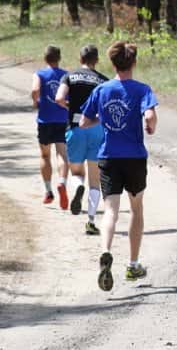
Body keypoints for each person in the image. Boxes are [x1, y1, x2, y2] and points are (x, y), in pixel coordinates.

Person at [79, 41, 158, 291]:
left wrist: (102, 119)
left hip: (109, 157)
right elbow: (150, 117)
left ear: (112, 64)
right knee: (136, 209)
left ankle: (105, 250)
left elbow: (83, 122)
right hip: (134, 157)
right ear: (134, 62)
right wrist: (150, 125)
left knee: (111, 211)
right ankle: (133, 264)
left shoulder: (102, 90)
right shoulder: (142, 89)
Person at [55, 45, 108, 235]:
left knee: (77, 171)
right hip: (96, 128)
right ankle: (91, 221)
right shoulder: (103, 80)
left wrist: (70, 106)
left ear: (80, 59)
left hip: (76, 127)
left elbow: (59, 98)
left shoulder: (69, 76)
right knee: (95, 179)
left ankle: (78, 186)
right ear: (97, 60)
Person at [31, 45, 69, 209]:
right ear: (59, 58)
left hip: (45, 120)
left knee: (45, 155)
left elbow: (35, 89)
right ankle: (62, 182)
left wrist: (36, 102)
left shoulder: (39, 74)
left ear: (45, 58)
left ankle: (48, 191)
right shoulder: (66, 75)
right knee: (62, 154)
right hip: (62, 119)